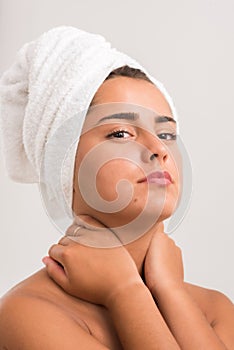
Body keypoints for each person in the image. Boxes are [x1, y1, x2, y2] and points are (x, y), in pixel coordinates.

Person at [0, 27, 233, 350]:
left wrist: (170, 291)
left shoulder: (215, 309)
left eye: (166, 134)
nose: (158, 149)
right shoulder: (28, 313)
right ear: (64, 165)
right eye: (121, 133)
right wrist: (124, 292)